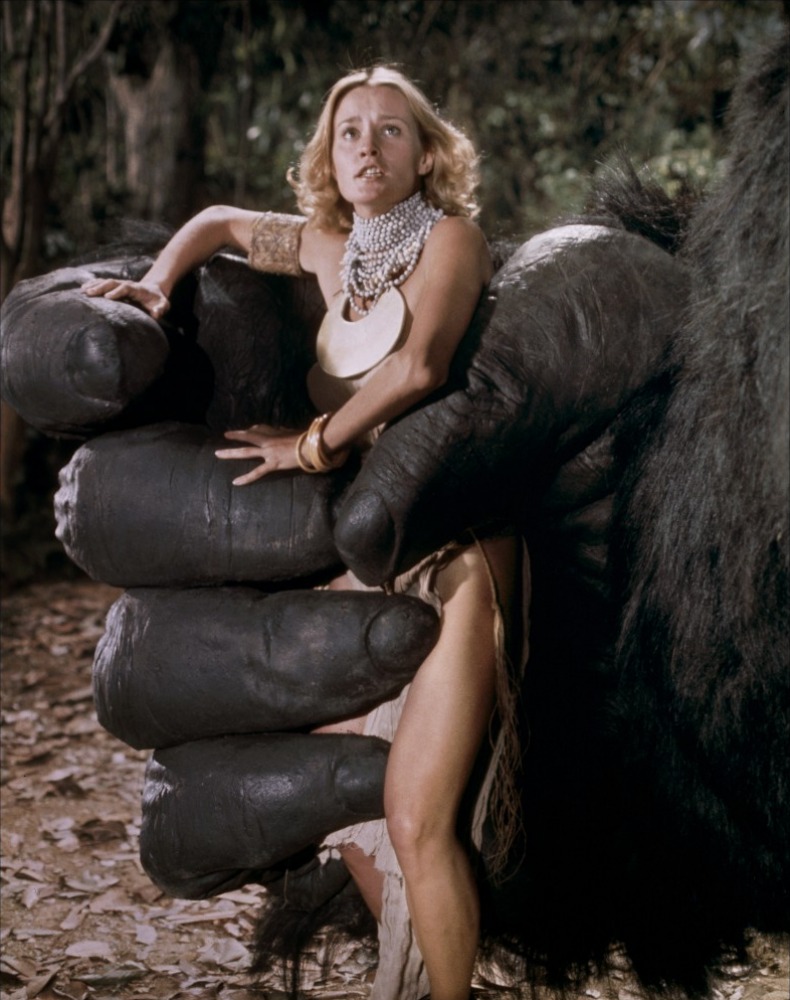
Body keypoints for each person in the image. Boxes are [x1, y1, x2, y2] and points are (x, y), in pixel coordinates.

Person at [82, 65, 525, 1000]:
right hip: (366, 555)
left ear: (426, 155)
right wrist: (158, 286)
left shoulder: (452, 240)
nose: (368, 146)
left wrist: (313, 444)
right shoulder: (328, 251)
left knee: (417, 817)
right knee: (341, 792)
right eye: (349, 130)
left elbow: (418, 365)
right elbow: (216, 222)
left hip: (457, 550)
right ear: (330, 153)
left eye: (391, 130)